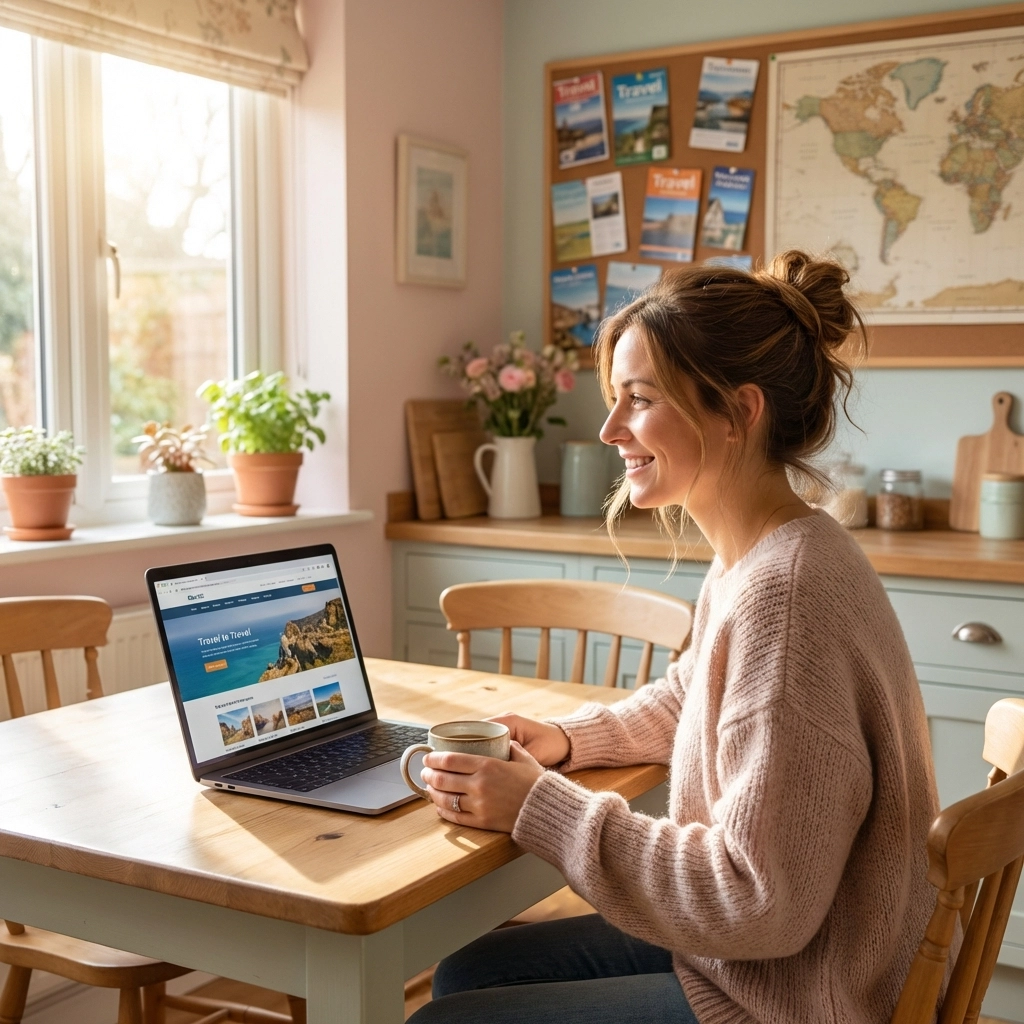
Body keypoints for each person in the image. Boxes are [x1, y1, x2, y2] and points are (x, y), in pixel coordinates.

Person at [407, 251, 942, 1024]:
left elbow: (755, 901)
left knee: (442, 1017)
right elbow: (696, 694)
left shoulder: (783, 596)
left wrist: (541, 805)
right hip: (778, 957)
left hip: (798, 992)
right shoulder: (768, 549)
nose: (610, 427)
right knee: (468, 971)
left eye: (640, 399)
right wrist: (565, 740)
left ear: (737, 412)